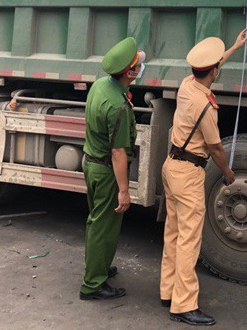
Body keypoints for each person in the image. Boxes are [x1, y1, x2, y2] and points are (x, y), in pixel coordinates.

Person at [161, 30, 247, 326]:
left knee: (173, 232)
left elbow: (212, 65)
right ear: (212, 72)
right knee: (189, 239)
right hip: (188, 175)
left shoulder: (187, 85)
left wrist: (235, 47)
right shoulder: (205, 107)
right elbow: (215, 148)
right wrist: (227, 172)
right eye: (216, 68)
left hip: (171, 166)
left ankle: (168, 290)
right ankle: (183, 305)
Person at [79, 37, 145, 301]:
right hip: (106, 171)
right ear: (129, 72)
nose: (141, 64)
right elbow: (118, 152)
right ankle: (92, 285)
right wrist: (124, 190)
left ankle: (100, 267)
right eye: (137, 63)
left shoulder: (100, 86)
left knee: (98, 221)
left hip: (92, 164)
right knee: (103, 225)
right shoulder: (118, 107)